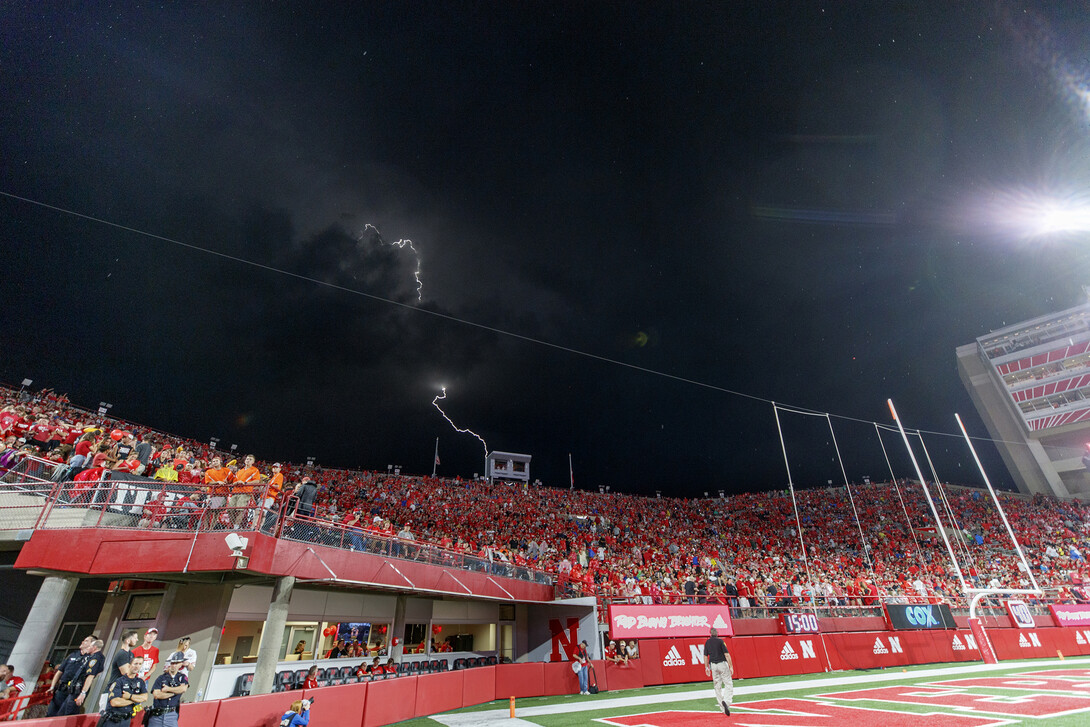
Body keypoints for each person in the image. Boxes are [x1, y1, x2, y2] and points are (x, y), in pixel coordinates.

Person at [48, 636, 104, 716]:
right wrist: (52, 686)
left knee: (65, 715)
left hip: (75, 690)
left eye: (86, 641)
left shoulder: (93, 657)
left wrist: (83, 692)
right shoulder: (73, 655)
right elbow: (60, 671)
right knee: (51, 713)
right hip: (62, 688)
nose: (82, 642)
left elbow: (93, 675)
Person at [101, 629, 139, 712]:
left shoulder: (131, 654)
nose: (137, 640)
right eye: (135, 638)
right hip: (112, 691)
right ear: (128, 640)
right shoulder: (122, 654)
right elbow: (125, 672)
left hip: (121, 691)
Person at [102, 655, 148, 724]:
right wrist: (135, 701)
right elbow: (115, 702)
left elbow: (144, 698)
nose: (137, 666)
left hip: (126, 720)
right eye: (135, 664)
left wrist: (129, 697)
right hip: (113, 719)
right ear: (129, 665)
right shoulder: (119, 681)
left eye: (140, 664)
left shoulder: (140, 682)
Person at [147, 653, 188, 727]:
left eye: (176, 663)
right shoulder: (161, 678)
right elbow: (157, 694)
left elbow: (183, 689)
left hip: (171, 714)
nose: (174, 665)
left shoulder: (182, 677)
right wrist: (175, 692)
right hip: (157, 714)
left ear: (181, 664)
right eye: (172, 663)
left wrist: (168, 689)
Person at [703, 627, 734, 716]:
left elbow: (705, 656)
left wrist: (706, 667)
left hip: (713, 665)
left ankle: (722, 708)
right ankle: (726, 701)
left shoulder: (707, 642)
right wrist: (731, 666)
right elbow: (727, 655)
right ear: (717, 633)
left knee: (717, 686)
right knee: (728, 683)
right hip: (722, 664)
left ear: (710, 633)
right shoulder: (720, 642)